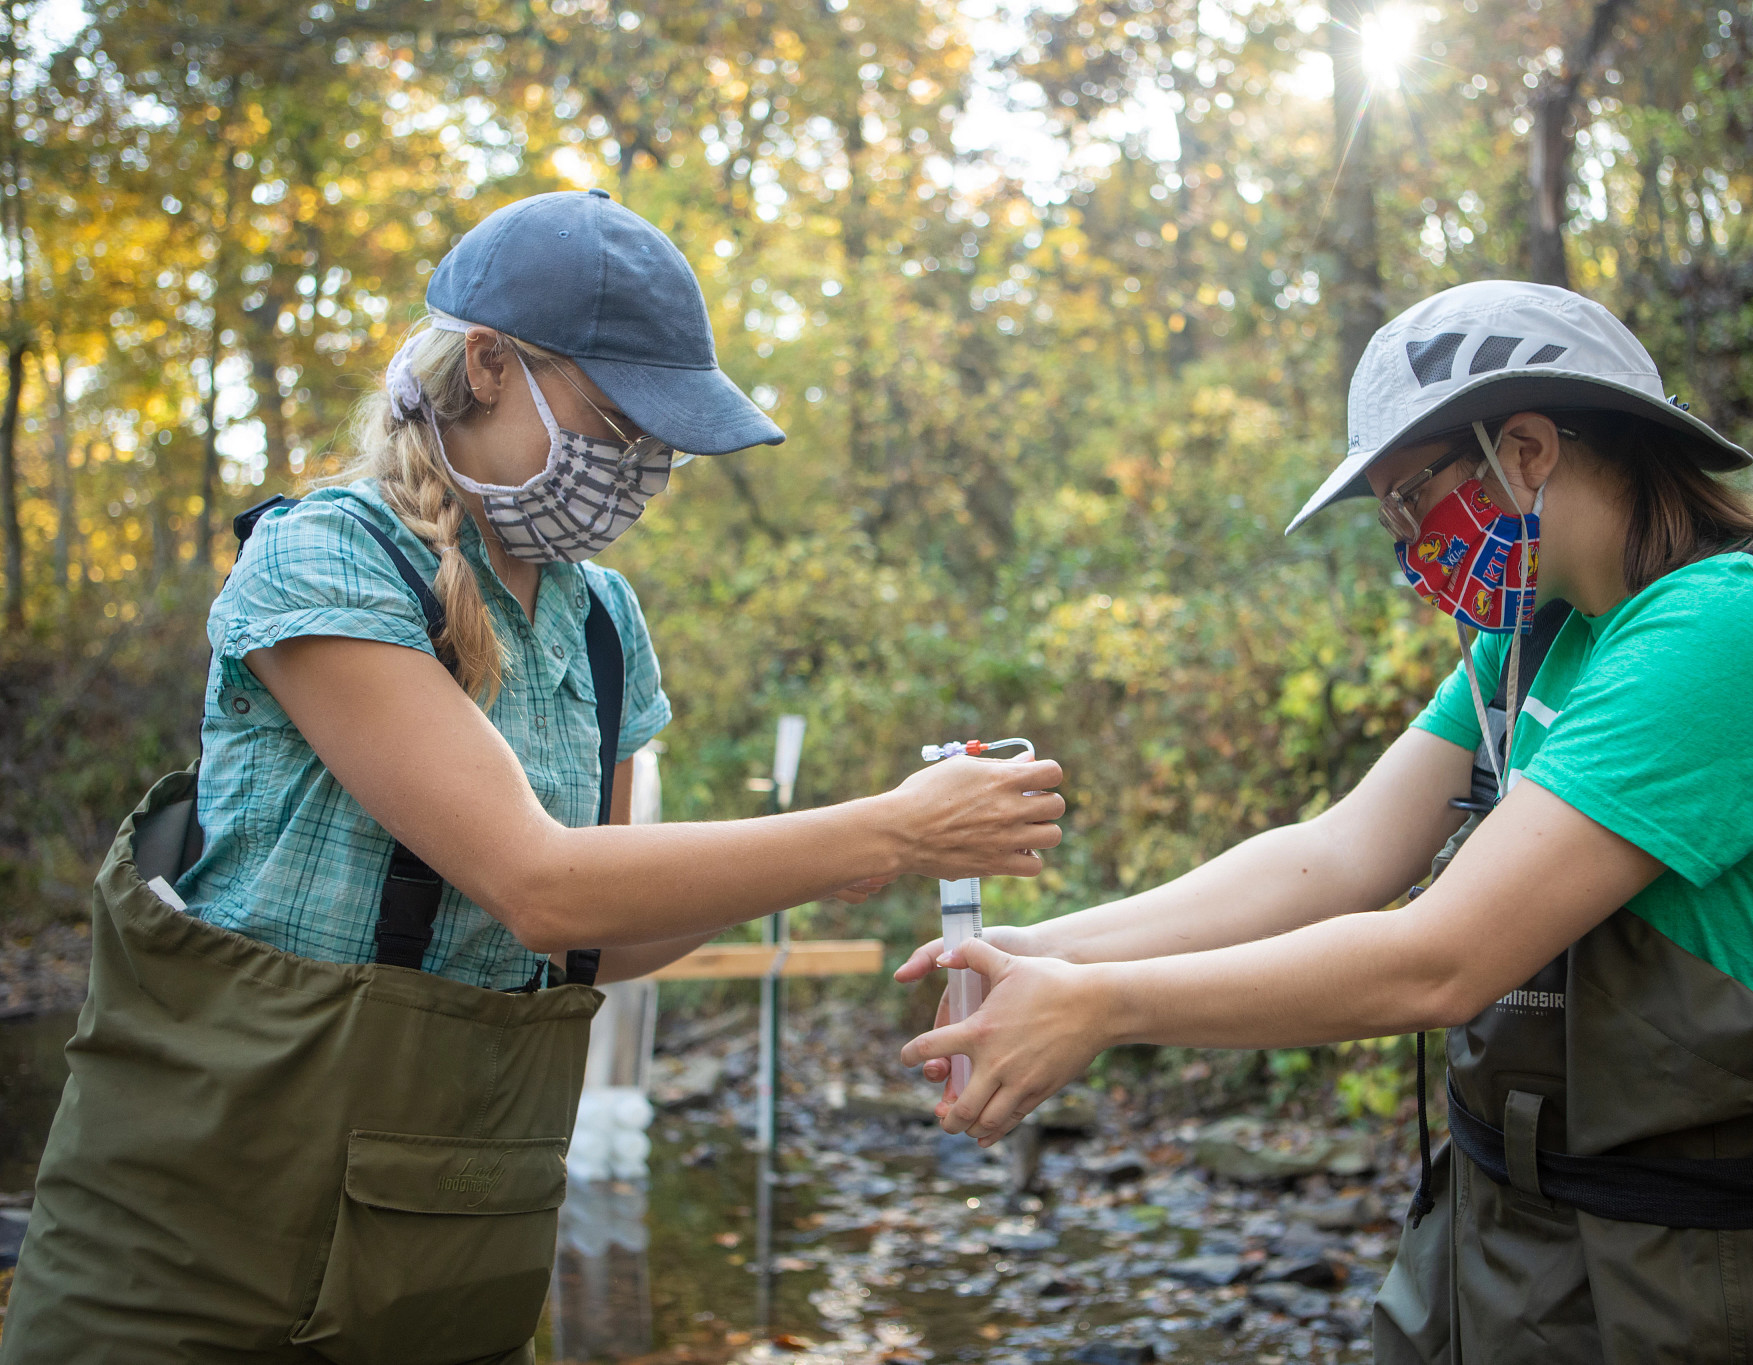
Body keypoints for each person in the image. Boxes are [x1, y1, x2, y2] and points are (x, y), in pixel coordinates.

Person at [1, 189, 1063, 1365]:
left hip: (450, 1250)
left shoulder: (600, 622)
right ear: (490, 366)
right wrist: (886, 833)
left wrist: (816, 867)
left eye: (665, 444)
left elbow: (594, 943)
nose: (641, 470)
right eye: (619, 423)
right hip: (192, 1245)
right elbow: (539, 883)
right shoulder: (329, 558)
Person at [896, 281, 1753, 1363]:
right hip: (1516, 1242)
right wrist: (1036, 952)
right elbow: (1335, 855)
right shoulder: (1535, 638)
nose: (1405, 550)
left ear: (1525, 449)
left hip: (1705, 1271)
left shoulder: (1728, 632)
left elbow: (1438, 960)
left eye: (1410, 502)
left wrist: (1099, 1006)